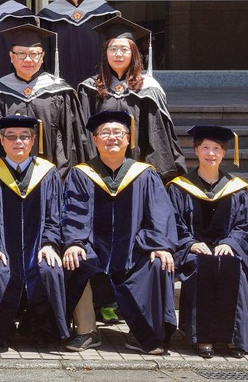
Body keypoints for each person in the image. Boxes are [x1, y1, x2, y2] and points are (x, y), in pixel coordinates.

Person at [61, 110, 177, 356]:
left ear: (127, 139)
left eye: (117, 132)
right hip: (94, 247)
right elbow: (74, 212)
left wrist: (159, 244)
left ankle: (141, 332)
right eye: (105, 133)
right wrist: (75, 242)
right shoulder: (81, 174)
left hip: (134, 248)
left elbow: (159, 213)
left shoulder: (145, 174)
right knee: (76, 259)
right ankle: (87, 330)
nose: (111, 137)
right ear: (95, 140)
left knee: (157, 262)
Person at [0, 115, 68, 350]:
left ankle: (44, 331)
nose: (18, 141)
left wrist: (50, 243)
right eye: (11, 136)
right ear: (2, 140)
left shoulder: (48, 173)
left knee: (49, 268)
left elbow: (56, 215)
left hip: (38, 247)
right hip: (1, 247)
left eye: (24, 136)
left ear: (33, 141)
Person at [168, 125, 248, 359]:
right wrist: (190, 243)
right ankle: (203, 338)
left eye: (216, 149)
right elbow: (173, 222)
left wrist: (230, 243)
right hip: (194, 251)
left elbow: (245, 226)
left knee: (235, 268)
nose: (210, 153)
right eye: (205, 148)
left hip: (226, 248)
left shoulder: (237, 189)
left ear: (224, 154)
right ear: (196, 150)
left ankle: (234, 337)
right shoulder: (179, 187)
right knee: (199, 266)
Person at [77, 17, 186, 181]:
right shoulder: (90, 89)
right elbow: (84, 134)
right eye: (113, 49)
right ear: (105, 53)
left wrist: (149, 175)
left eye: (124, 49)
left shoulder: (148, 89)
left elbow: (157, 135)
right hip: (99, 172)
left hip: (138, 170)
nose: (118, 54)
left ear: (133, 53)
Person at [0, 24, 85, 176]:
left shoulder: (61, 92)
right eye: (21, 54)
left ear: (42, 57)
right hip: (5, 176)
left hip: (50, 176)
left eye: (34, 54)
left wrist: (60, 175)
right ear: (11, 57)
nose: (28, 59)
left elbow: (69, 138)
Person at [38, 0, 120, 87]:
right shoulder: (48, 16)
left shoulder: (104, 12)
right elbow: (45, 56)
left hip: (99, 85)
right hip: (61, 87)